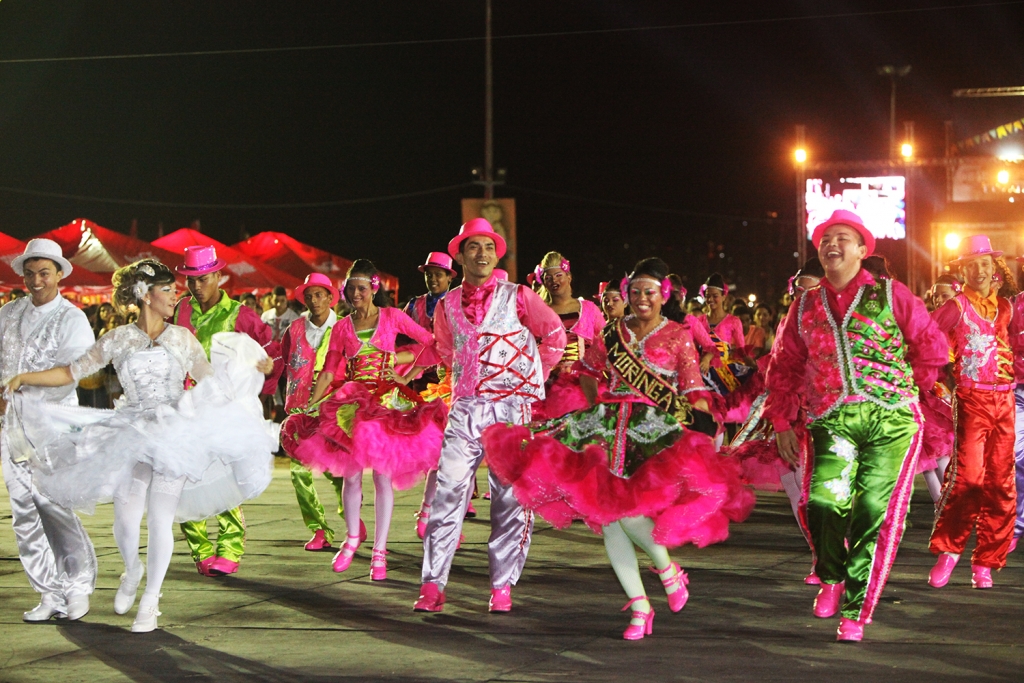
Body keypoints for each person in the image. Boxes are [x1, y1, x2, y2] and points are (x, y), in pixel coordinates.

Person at [483, 257, 753, 640]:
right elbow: (590, 374)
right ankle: (641, 606)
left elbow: (693, 390)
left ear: (664, 296)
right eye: (636, 291)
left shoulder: (677, 335)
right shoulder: (612, 332)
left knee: (626, 514)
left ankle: (666, 569)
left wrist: (702, 436)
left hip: (654, 433)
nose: (643, 299)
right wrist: (598, 408)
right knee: (610, 518)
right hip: (610, 428)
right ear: (627, 294)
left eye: (651, 292)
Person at [7, 259, 277, 632]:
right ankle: (131, 570)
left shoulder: (182, 337)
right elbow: (71, 372)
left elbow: (211, 381)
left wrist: (251, 369)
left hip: (173, 434)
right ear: (145, 295)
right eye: (167, 290)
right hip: (130, 432)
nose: (175, 296)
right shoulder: (118, 338)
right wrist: (24, 377)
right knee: (126, 520)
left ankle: (150, 601)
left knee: (161, 518)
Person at [765, 209, 947, 642]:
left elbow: (932, 347)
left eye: (843, 237)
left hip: (892, 420)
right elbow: (784, 365)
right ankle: (831, 575)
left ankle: (856, 611)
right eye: (827, 238)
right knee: (823, 505)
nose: (833, 244)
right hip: (831, 419)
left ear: (863, 250)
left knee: (873, 514)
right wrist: (782, 421)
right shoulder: (805, 303)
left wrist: (905, 387)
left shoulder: (891, 294)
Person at [414, 218, 567, 613]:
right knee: (446, 493)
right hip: (465, 408)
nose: (481, 254)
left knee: (509, 499)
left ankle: (502, 586)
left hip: (510, 410)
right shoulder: (446, 304)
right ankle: (432, 585)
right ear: (461, 255)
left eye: (487, 247)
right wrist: (469, 375)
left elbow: (554, 337)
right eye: (473, 247)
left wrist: (534, 377)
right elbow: (447, 350)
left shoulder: (518, 295)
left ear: (496, 254)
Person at [285, 260, 445, 581]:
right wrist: (312, 403)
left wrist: (404, 372)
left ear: (374, 288)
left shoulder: (392, 316)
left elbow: (432, 342)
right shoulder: (342, 327)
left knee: (383, 477)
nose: (355, 294)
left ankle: (380, 552)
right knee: (351, 475)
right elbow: (329, 370)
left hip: (386, 403)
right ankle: (352, 538)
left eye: (361, 288)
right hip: (353, 403)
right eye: (350, 289)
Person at [0, 239, 96, 622]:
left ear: (59, 274)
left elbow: (75, 372)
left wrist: (22, 380)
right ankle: (48, 590)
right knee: (23, 511)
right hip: (12, 427)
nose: (37, 280)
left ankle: (77, 584)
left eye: (44, 273)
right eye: (30, 273)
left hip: (53, 427)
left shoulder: (72, 317)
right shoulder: (8, 313)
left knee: (54, 506)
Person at [173, 245, 282, 577]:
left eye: (203, 279)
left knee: (222, 478)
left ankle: (230, 548)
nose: (196, 286)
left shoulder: (241, 315)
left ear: (219, 276)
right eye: (191, 279)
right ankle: (200, 550)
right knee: (182, 479)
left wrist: (263, 372)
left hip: (222, 408)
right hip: (185, 406)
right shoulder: (181, 310)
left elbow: (271, 351)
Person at [928, 236, 1019, 589]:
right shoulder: (956, 306)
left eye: (986, 263)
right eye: (973, 264)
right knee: (968, 480)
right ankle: (949, 551)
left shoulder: (1007, 309)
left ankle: (986, 561)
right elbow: (926, 338)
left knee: (1001, 485)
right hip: (973, 400)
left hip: (1006, 402)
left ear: (993, 268)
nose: (981, 269)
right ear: (963, 270)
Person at [279, 273, 348, 552]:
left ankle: (351, 520)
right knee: (299, 473)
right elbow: (286, 359)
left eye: (319, 295)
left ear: (331, 298)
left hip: (332, 410)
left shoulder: (345, 328)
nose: (314, 300)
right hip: (299, 413)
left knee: (337, 471)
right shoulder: (294, 329)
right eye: (309, 296)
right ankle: (319, 528)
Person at [401, 252, 457, 538]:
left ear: (450, 277)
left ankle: (435, 514)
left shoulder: (459, 303)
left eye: (439, 273)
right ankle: (431, 512)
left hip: (453, 379)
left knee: (450, 452)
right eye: (429, 273)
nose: (433, 278)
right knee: (432, 450)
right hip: (422, 380)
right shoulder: (414, 305)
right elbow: (407, 341)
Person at [532, 251, 607, 421]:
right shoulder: (537, 312)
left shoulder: (589, 309)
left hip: (584, 385)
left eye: (558, 275)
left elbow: (605, 344)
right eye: (548, 278)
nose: (554, 281)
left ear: (569, 276)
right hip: (548, 388)